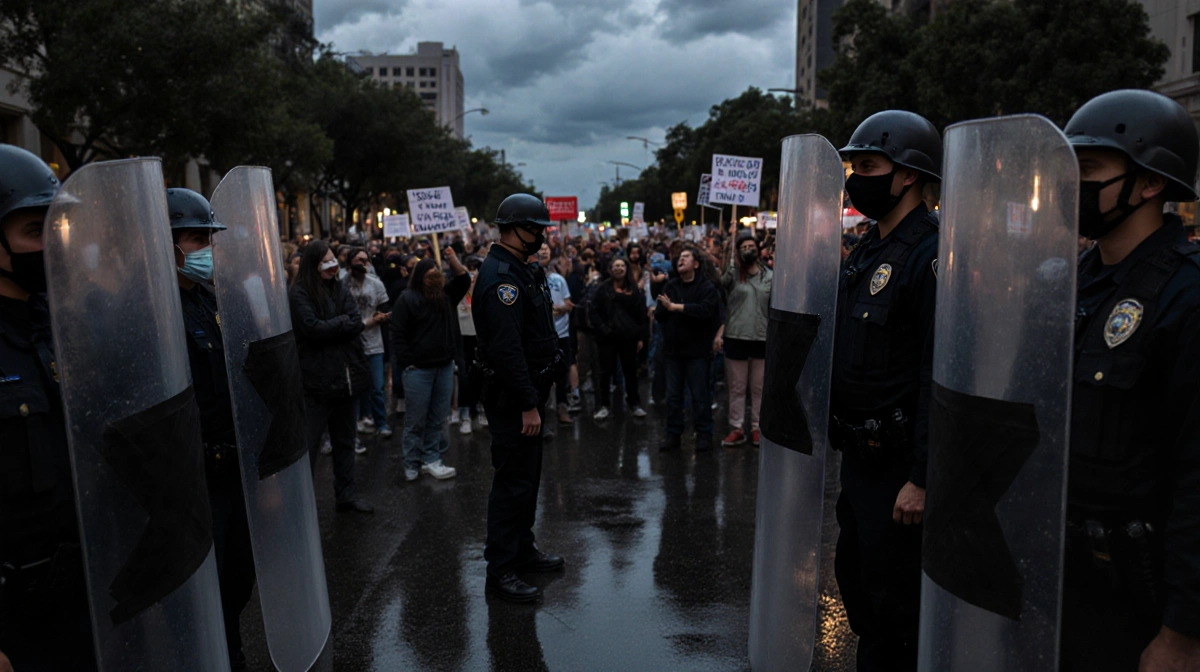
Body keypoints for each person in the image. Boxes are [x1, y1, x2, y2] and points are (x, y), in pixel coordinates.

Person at [1059, 89, 1200, 672]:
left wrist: (1183, 634)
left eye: (1088, 170)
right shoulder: (1074, 280)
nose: (1073, 184)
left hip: (1142, 594)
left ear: (1149, 184)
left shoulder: (1186, 295)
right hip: (1067, 579)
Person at [830, 110, 941, 671]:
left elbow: (936, 375)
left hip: (901, 475)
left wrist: (921, 477)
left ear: (907, 176)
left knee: (898, 615)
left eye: (868, 166)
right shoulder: (867, 249)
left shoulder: (932, 254)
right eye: (853, 166)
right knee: (859, 590)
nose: (855, 179)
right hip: (860, 462)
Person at [0, 145, 97, 671]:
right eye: (33, 233)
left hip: (85, 599)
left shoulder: (63, 324)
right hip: (17, 622)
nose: (50, 248)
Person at [165, 188, 257, 670]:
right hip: (189, 480)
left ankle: (230, 652)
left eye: (210, 239)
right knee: (202, 592)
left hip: (229, 470)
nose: (208, 250)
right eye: (198, 239)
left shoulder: (208, 299)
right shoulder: (150, 310)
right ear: (166, 243)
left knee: (237, 578)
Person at [473, 194, 565, 603]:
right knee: (511, 485)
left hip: (530, 392)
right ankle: (501, 571)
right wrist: (528, 402)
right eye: (535, 228)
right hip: (514, 399)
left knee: (527, 482)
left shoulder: (523, 270)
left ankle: (522, 551)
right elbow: (507, 349)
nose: (542, 236)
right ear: (512, 228)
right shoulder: (501, 279)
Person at [290, 241, 374, 513]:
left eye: (333, 260)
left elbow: (356, 322)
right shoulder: (300, 292)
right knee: (310, 445)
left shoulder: (339, 289)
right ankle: (301, 504)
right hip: (316, 384)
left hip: (344, 380)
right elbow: (313, 329)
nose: (331, 266)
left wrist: (340, 324)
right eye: (325, 261)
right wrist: (341, 323)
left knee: (345, 442)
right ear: (313, 264)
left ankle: (346, 494)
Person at [391, 250, 470, 481]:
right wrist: (408, 362)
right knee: (416, 420)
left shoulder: (445, 297)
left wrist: (452, 259)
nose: (434, 275)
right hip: (418, 371)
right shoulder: (407, 299)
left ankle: (430, 458)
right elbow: (397, 334)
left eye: (437, 271)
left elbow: (464, 280)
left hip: (444, 367)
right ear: (419, 276)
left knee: (437, 417)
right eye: (429, 271)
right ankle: (411, 463)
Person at [655, 247, 720, 452]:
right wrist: (665, 309)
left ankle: (704, 435)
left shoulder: (706, 287)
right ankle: (673, 435)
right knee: (673, 396)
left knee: (699, 396)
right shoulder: (671, 285)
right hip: (673, 351)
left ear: (696, 264)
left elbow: (705, 311)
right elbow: (660, 314)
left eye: (685, 257)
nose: (680, 260)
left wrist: (676, 308)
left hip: (697, 352)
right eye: (679, 257)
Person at [716, 231, 772, 447]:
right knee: (737, 388)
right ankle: (737, 428)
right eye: (744, 247)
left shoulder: (769, 276)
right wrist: (728, 254)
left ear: (758, 249)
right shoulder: (732, 275)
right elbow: (719, 283)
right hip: (736, 337)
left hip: (761, 338)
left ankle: (757, 427)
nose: (748, 249)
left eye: (751, 245)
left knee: (758, 388)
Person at [590, 257, 649, 420]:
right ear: (610, 269)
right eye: (616, 266)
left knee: (630, 372)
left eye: (622, 265)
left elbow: (641, 315)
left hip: (629, 338)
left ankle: (634, 403)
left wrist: (640, 337)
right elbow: (593, 311)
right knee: (605, 372)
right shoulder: (603, 289)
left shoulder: (634, 289)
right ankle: (603, 405)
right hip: (607, 338)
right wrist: (603, 329)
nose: (619, 268)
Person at [345, 247, 392, 442]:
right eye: (359, 260)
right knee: (355, 390)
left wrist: (381, 318)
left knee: (377, 387)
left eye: (366, 260)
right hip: (351, 346)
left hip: (374, 344)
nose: (363, 263)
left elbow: (385, 310)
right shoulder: (342, 286)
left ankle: (381, 423)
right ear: (350, 263)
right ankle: (355, 426)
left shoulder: (376, 284)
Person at [538, 245, 575, 427]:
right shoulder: (530, 279)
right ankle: (541, 411)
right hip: (540, 336)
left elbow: (569, 303)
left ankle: (562, 406)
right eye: (540, 249)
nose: (544, 252)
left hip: (561, 333)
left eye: (546, 249)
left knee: (562, 372)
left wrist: (561, 308)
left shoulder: (559, 280)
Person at [455, 256, 485, 434]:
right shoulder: (457, 293)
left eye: (476, 270)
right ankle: (464, 414)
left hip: (480, 337)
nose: (472, 275)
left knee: (481, 373)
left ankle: (480, 407)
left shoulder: (484, 292)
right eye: (469, 270)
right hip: (462, 338)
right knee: (463, 376)